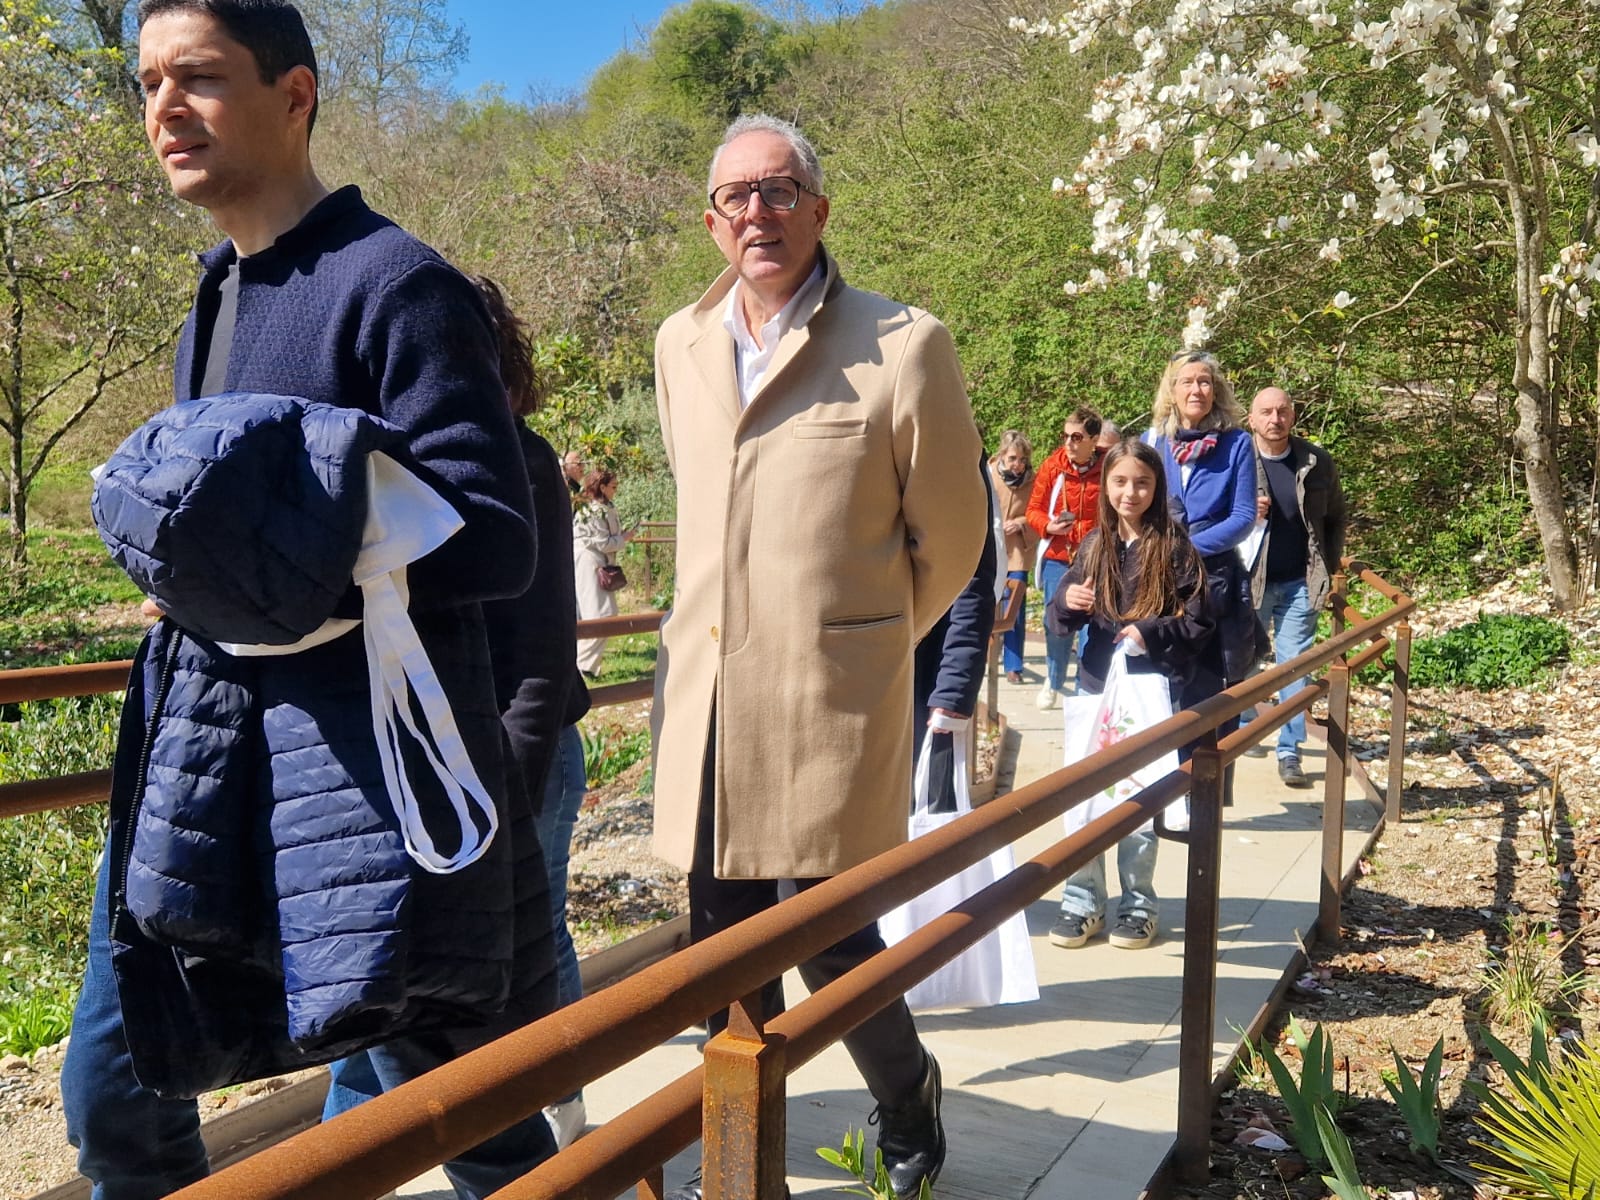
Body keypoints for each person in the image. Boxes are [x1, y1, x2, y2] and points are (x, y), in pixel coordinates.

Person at [62, 4, 557, 1197]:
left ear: (295, 96)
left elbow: (492, 541)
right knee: (118, 1086)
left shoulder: (398, 285)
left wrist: (263, 576)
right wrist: (199, 584)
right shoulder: (214, 296)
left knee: (465, 1110)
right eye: (146, 84)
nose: (163, 109)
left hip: (360, 784)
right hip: (212, 756)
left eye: (199, 78)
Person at [650, 113, 986, 1200]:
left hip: (829, 699)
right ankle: (747, 1145)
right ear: (712, 223)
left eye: (781, 190)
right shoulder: (678, 345)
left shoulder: (902, 343)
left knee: (834, 932)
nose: (760, 212)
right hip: (704, 697)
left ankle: (904, 1094)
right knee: (717, 939)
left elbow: (953, 538)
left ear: (819, 209)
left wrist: (863, 639)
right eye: (738, 197)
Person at [472, 276, 592, 1147]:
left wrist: (513, 784)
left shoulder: (520, 458)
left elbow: (542, 661)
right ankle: (558, 1126)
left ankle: (562, 1124)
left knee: (532, 935)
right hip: (461, 760)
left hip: (528, 752)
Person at [1046, 440, 1213, 950]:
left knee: (1139, 795)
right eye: (1120, 482)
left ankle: (1137, 904)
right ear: (1106, 486)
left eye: (1141, 482)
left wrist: (1152, 632)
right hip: (1096, 684)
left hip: (1148, 689)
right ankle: (1081, 899)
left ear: (1157, 486)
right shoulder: (1094, 543)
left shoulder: (1175, 546)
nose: (1130, 492)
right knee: (1087, 796)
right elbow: (1059, 619)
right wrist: (1066, 601)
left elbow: (1200, 619)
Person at [1146, 351, 1260, 804]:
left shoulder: (1236, 445)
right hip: (1159, 585)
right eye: (1187, 382)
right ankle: (1166, 789)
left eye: (1205, 382)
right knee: (1163, 687)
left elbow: (1244, 516)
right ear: (1171, 391)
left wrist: (1188, 548)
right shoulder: (1155, 442)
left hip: (1213, 587)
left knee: (1210, 695)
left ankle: (1207, 797)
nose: (1197, 390)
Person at [1248, 386, 1347, 788]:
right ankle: (1242, 728)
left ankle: (1290, 751)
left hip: (1299, 582)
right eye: (1266, 412)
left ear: (1293, 415)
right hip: (1247, 580)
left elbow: (1337, 516)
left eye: (1282, 411)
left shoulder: (1316, 461)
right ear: (1251, 419)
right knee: (1242, 660)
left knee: (1295, 665)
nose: (1275, 419)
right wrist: (1242, 513)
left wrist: (1328, 567)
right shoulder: (1237, 458)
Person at [1026, 407, 1105, 709]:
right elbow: (1032, 510)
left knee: (1092, 623)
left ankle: (1085, 686)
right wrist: (1048, 525)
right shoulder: (1052, 467)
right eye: (1065, 436)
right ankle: (1054, 679)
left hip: (1095, 559)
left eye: (1077, 437)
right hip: (1058, 557)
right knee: (1055, 624)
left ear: (1094, 440)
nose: (1069, 443)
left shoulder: (1108, 467)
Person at [989, 431, 1038, 685]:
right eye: (1012, 458)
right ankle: (985, 654)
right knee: (985, 602)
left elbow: (1037, 513)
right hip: (991, 548)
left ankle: (1013, 664)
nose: (1017, 464)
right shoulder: (988, 474)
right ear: (1002, 456)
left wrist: (1019, 523)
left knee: (1014, 608)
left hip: (1018, 550)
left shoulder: (1033, 481)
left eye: (1021, 459)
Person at [573, 468, 633, 677]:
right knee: (600, 616)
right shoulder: (593, 510)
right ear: (602, 487)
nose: (615, 491)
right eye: (613, 487)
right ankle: (582, 666)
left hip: (596, 562)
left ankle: (586, 666)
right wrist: (625, 538)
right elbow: (603, 543)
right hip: (589, 563)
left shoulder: (605, 507)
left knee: (603, 615)